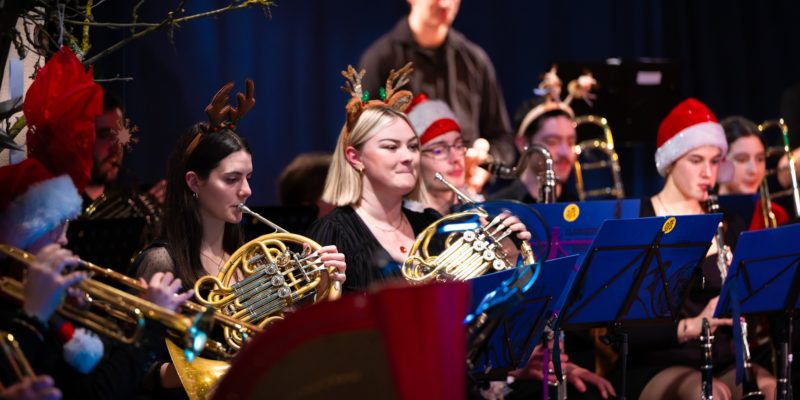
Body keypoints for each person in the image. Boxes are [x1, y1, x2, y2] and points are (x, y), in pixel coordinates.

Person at [0, 46, 191, 400]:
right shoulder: (17, 312)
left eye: (64, 225)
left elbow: (100, 379)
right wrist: (150, 327)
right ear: (18, 238)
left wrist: (81, 315)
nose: (63, 239)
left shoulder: (60, 303)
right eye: (51, 227)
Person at [131, 81, 347, 394]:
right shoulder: (162, 262)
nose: (246, 190)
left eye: (248, 178)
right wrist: (223, 369)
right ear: (194, 181)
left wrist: (323, 291)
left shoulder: (251, 258)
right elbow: (138, 370)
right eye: (232, 179)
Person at [307, 65, 530, 293]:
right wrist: (322, 291)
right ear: (355, 157)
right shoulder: (333, 233)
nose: (408, 157)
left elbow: (480, 307)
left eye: (413, 146)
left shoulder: (432, 224)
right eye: (391, 147)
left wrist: (508, 258)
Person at [620, 98, 776, 399]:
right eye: (696, 160)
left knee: (770, 388)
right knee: (708, 394)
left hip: (722, 359)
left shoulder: (729, 222)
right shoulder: (639, 218)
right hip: (660, 360)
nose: (708, 173)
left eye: (715, 161)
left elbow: (749, 316)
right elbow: (624, 329)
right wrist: (690, 326)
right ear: (670, 162)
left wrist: (744, 303)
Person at [357, 0, 515, 164]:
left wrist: (485, 166)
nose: (446, 3)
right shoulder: (379, 60)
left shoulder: (475, 60)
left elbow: (501, 140)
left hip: (464, 187)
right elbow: (363, 140)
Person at [490, 67, 578, 203]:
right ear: (523, 144)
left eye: (571, 142)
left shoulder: (580, 206)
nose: (565, 152)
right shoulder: (497, 208)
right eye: (552, 141)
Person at [404, 93, 482, 215]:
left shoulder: (483, 210)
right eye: (438, 150)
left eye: (458, 145)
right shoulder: (406, 224)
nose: (455, 158)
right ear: (416, 159)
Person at [719, 116, 789, 229]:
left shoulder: (777, 215)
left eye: (760, 159)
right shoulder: (703, 215)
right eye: (742, 159)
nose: (754, 170)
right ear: (719, 161)